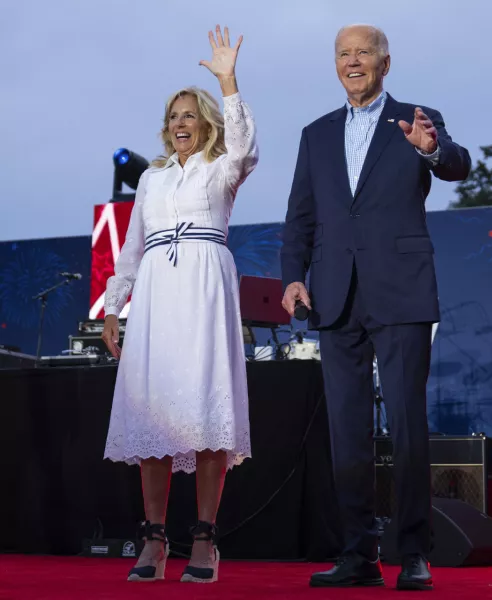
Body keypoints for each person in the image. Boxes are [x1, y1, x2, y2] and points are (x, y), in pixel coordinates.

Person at [281, 24, 470, 591]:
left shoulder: (417, 117)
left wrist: (431, 149)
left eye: (364, 52)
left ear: (385, 63)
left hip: (402, 290)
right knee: (346, 431)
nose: (353, 61)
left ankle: (414, 552)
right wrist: (293, 277)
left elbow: (459, 165)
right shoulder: (315, 134)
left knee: (409, 425)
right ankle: (357, 554)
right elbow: (301, 217)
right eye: (344, 54)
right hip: (335, 297)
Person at [101, 25, 257, 584]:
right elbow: (131, 251)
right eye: (174, 117)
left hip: (205, 293)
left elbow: (246, 145)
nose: (181, 124)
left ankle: (205, 540)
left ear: (206, 122)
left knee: (206, 418)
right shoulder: (151, 177)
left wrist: (228, 80)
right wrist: (114, 307)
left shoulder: (223, 168)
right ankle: (153, 537)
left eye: (191, 115)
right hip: (156, 303)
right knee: (153, 419)